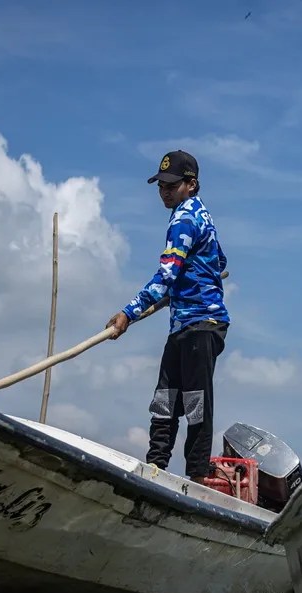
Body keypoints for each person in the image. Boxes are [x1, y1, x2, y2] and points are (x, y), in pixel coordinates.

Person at [106, 150, 229, 484]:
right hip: (183, 324)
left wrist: (127, 314)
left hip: (202, 323)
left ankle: (197, 475)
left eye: (171, 185)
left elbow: (166, 277)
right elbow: (219, 261)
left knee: (195, 401)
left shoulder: (185, 220)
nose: (164, 191)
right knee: (165, 398)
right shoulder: (200, 215)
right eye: (161, 185)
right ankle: (156, 465)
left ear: (190, 184)